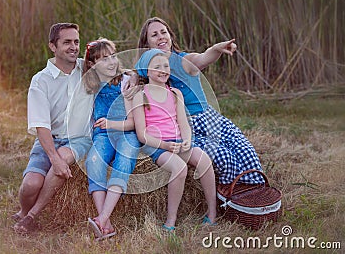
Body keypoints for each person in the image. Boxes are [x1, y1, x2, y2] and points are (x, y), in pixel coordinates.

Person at [138, 17, 265, 185]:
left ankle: (255, 189)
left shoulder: (184, 61)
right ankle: (230, 194)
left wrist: (216, 49)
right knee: (224, 157)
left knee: (245, 150)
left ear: (170, 36)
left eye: (164, 32)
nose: (161, 36)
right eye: (154, 35)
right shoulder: (147, 73)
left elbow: (203, 58)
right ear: (147, 45)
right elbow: (132, 79)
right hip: (189, 125)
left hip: (209, 117)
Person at [12, 23, 94, 234]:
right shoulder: (40, 81)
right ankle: (23, 211)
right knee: (31, 185)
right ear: (52, 46)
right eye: (67, 42)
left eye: (76, 42)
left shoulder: (88, 69)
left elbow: (116, 69)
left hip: (79, 139)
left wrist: (131, 80)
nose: (73, 47)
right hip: (49, 138)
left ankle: (31, 217)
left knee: (64, 157)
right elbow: (41, 125)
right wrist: (53, 158)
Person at [133, 49, 217, 229]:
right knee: (179, 169)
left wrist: (187, 140)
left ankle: (212, 212)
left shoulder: (175, 93)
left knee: (204, 161)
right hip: (157, 145)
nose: (163, 70)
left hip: (179, 141)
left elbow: (183, 123)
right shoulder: (141, 96)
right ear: (146, 71)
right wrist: (165, 145)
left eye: (165, 65)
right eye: (157, 67)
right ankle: (171, 220)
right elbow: (142, 135)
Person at [83, 39, 141, 240]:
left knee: (124, 158)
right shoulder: (89, 85)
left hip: (126, 132)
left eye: (113, 56)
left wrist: (134, 74)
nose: (111, 62)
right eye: (104, 58)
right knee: (94, 160)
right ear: (91, 64)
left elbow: (133, 121)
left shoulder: (126, 80)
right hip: (102, 135)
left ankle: (102, 218)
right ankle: (104, 222)